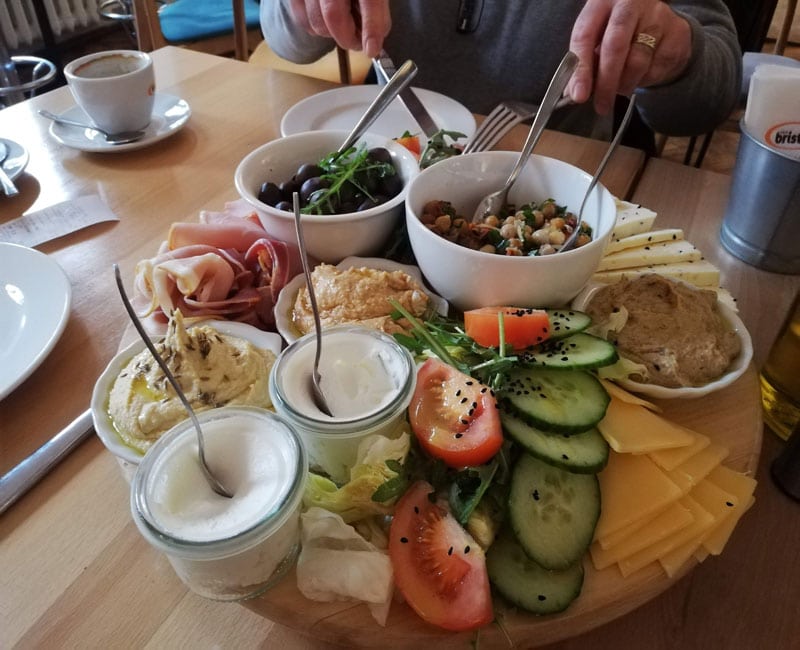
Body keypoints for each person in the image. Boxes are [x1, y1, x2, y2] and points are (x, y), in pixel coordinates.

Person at [260, 0, 742, 147]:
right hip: (373, 156)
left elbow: (708, 99)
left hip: (543, 176)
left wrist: (676, 55)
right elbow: (287, 42)